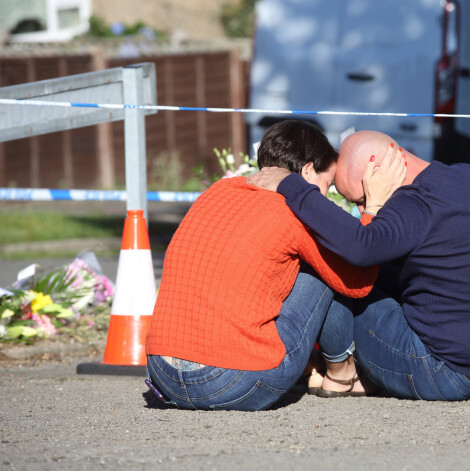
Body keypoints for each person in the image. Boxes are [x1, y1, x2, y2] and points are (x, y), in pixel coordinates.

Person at [247, 130, 470, 401]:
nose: (361, 211)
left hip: (445, 371)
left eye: (361, 199)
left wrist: (290, 185)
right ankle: (361, 371)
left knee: (333, 273)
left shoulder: (413, 204)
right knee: (375, 274)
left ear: (379, 172)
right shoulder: (466, 174)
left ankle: (341, 373)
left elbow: (359, 249)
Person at [144, 121, 403, 410]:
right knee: (328, 265)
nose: (326, 197)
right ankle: (341, 373)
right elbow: (357, 280)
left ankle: (310, 367)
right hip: (233, 381)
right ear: (306, 172)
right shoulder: (298, 212)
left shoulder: (217, 191)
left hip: (163, 373)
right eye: (327, 186)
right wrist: (374, 208)